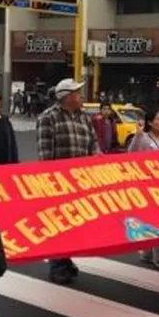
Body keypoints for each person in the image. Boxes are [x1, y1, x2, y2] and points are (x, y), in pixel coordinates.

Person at [37, 78, 100, 285]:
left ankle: (66, 259)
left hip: (81, 181)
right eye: (78, 93)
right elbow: (45, 153)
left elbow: (93, 145)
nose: (81, 96)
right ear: (66, 97)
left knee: (74, 224)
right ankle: (57, 265)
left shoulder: (84, 118)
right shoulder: (48, 118)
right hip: (59, 183)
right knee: (59, 224)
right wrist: (51, 181)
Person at [128, 108, 159, 270]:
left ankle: (147, 252)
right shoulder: (144, 139)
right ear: (150, 122)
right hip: (149, 187)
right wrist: (138, 134)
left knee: (158, 220)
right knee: (158, 220)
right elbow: (131, 154)